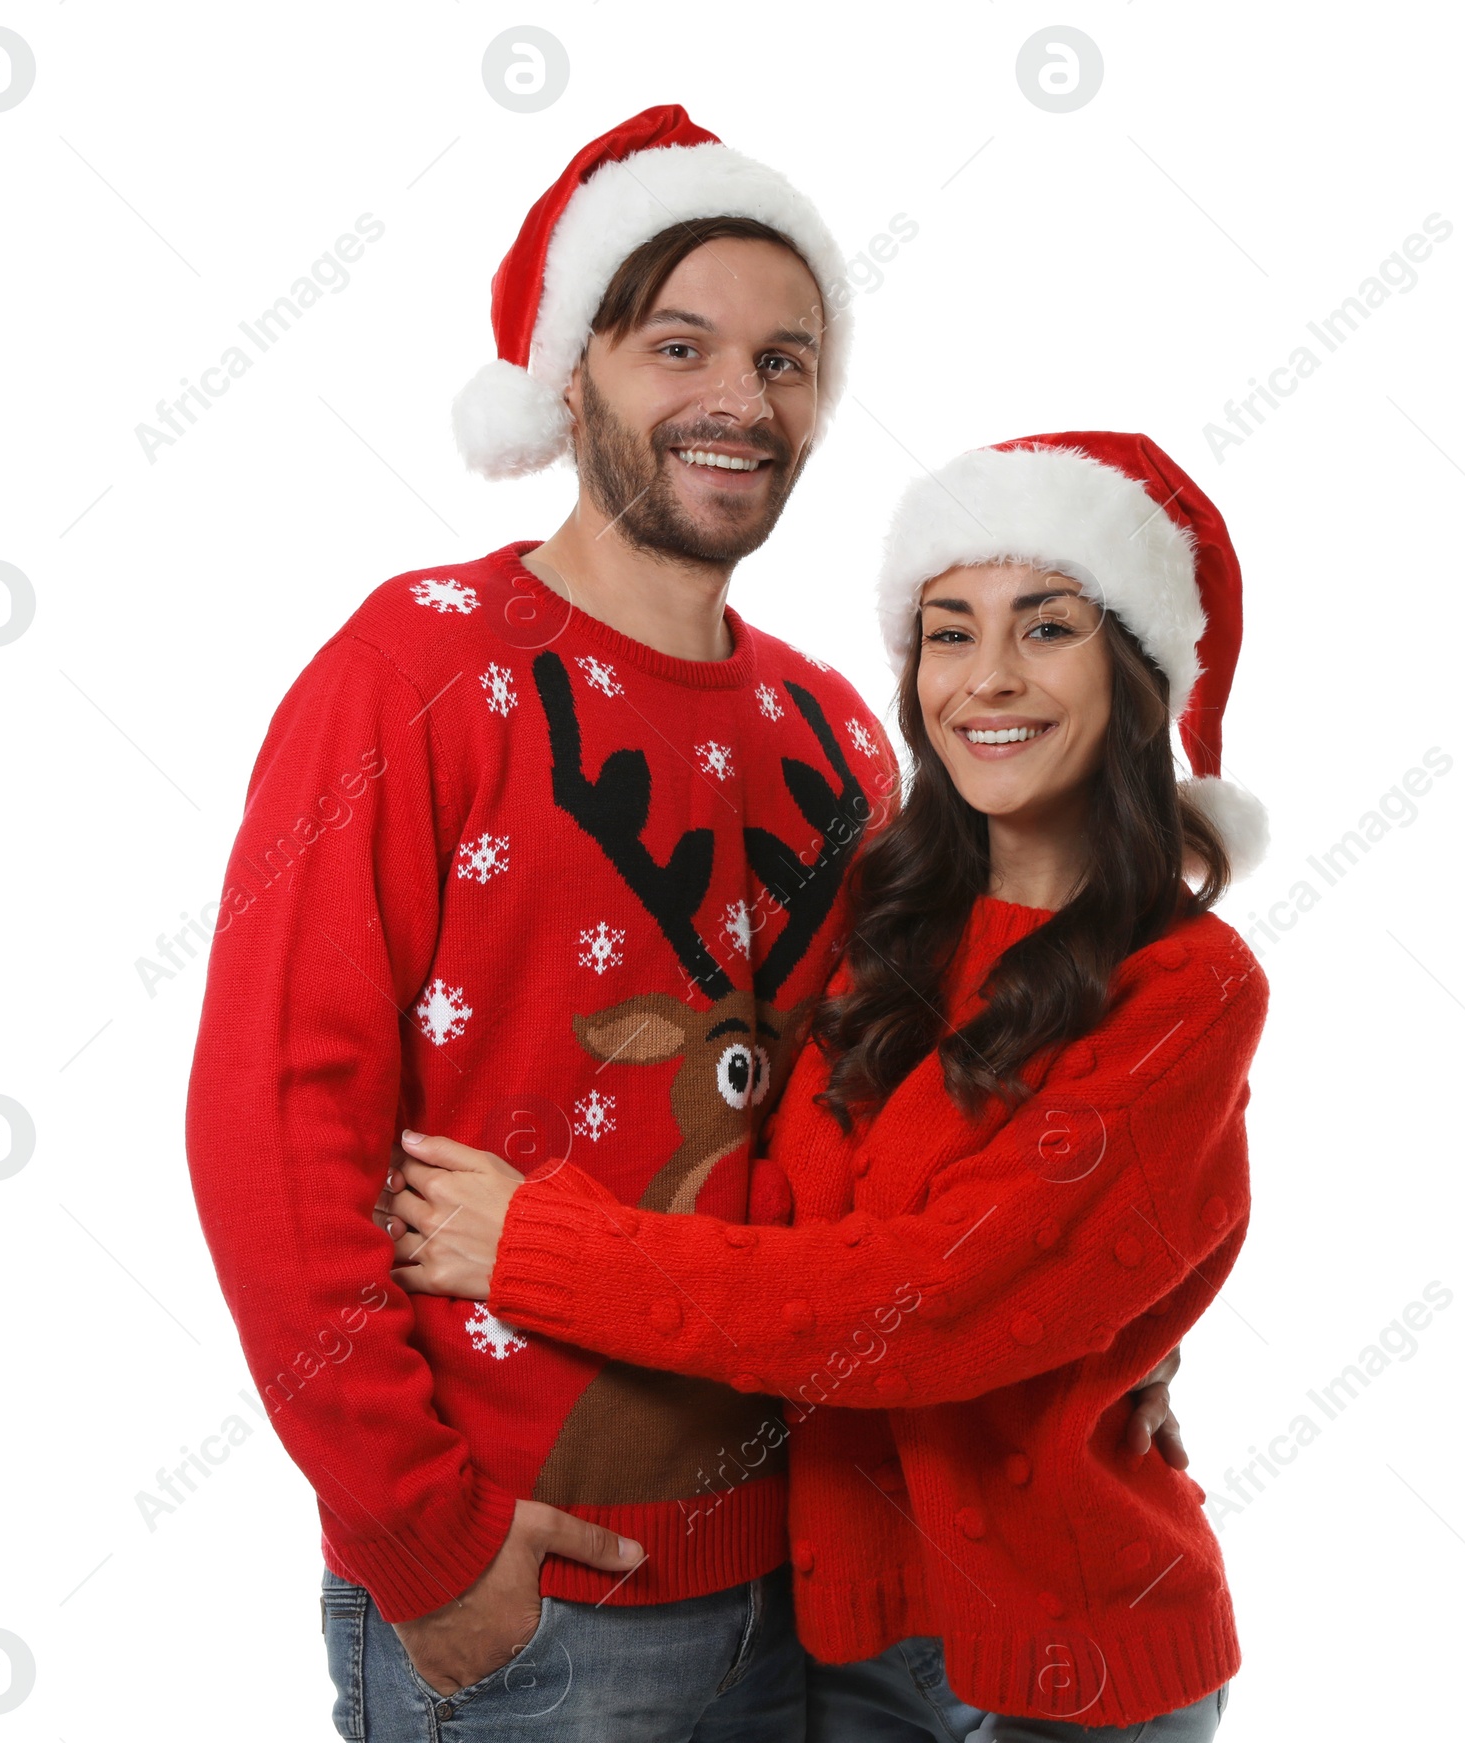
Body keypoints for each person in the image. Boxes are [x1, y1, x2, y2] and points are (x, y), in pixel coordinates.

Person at [184, 104, 1181, 1742]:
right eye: (679, 345)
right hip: (537, 1594)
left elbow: (927, 1106)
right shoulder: (420, 672)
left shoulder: (842, 732)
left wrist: (1098, 1335)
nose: (741, 397)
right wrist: (427, 1542)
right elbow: (270, 1132)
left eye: (788, 360)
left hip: (824, 1581)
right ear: (573, 377)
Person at [380, 431, 1271, 1739]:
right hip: (848, 1639)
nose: (988, 680)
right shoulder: (880, 920)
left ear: (1133, 675)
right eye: (949, 633)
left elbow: (915, 1306)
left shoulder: (1189, 990)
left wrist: (540, 1250)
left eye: (1048, 628)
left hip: (1073, 1655)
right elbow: (786, 1221)